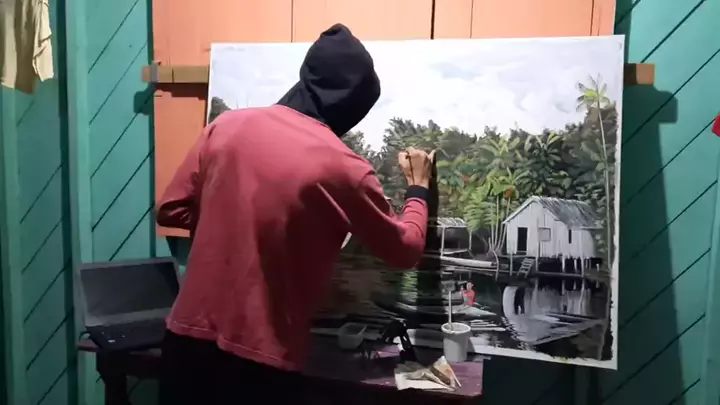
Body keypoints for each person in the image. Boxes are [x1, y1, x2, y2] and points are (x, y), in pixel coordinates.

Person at [156, 23, 436, 404]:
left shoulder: (224, 126)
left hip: (184, 345)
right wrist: (418, 189)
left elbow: (171, 210)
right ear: (354, 105)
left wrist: (234, 220)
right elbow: (405, 250)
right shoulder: (344, 168)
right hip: (259, 364)